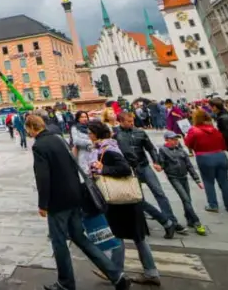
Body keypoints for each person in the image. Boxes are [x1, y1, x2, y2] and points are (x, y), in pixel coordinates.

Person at [29, 115, 128, 290]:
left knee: (59, 242)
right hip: (75, 196)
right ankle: (116, 274)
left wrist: (43, 204)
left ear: (31, 128)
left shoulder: (39, 146)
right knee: (80, 238)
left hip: (58, 202)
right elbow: (73, 165)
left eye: (28, 129)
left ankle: (66, 283)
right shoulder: (58, 140)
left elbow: (43, 178)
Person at [88, 121, 160, 286]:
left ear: (97, 133)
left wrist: (102, 168)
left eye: (90, 132)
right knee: (134, 237)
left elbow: (125, 169)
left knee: (120, 236)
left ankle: (116, 271)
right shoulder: (111, 146)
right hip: (127, 201)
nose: (89, 135)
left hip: (121, 200)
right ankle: (148, 272)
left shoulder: (109, 150)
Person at [114, 111, 179, 237]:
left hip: (144, 166)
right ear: (121, 121)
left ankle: (171, 220)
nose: (132, 123)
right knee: (139, 198)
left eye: (132, 121)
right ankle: (146, 222)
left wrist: (156, 161)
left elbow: (150, 148)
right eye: (128, 121)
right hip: (131, 170)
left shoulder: (140, 132)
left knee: (159, 193)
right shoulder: (117, 135)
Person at [184, 108, 228, 213]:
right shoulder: (214, 129)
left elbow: (188, 144)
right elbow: (223, 143)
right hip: (220, 156)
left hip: (204, 157)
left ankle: (213, 205)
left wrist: (186, 137)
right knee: (225, 182)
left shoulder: (193, 130)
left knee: (208, 182)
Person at [158, 130, 207, 235]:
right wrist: (159, 166)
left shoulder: (181, 150)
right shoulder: (163, 150)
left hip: (183, 177)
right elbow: (161, 163)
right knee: (185, 199)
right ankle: (197, 222)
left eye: (176, 139)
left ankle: (189, 220)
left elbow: (189, 166)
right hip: (173, 177)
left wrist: (197, 180)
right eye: (172, 139)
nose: (175, 141)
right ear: (166, 140)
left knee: (187, 199)